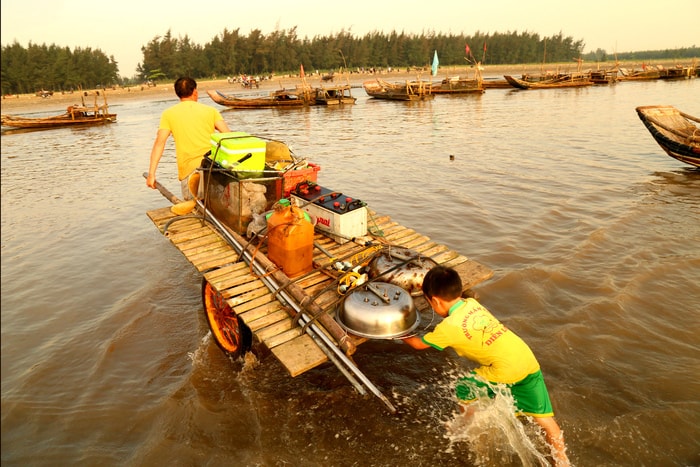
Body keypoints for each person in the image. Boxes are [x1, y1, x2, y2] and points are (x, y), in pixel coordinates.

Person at [401, 265, 570, 466]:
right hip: (525, 357)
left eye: (430, 303)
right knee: (544, 419)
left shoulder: (448, 327)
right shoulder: (472, 304)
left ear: (435, 300)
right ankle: (562, 461)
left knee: (464, 387)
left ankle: (465, 426)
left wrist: (398, 327)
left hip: (503, 367)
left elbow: (417, 343)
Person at [146, 77, 230, 200]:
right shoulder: (211, 111)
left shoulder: (168, 114)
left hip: (189, 172)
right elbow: (228, 136)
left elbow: (159, 143)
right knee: (217, 207)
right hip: (212, 169)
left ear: (177, 94)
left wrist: (151, 174)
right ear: (195, 91)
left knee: (195, 209)